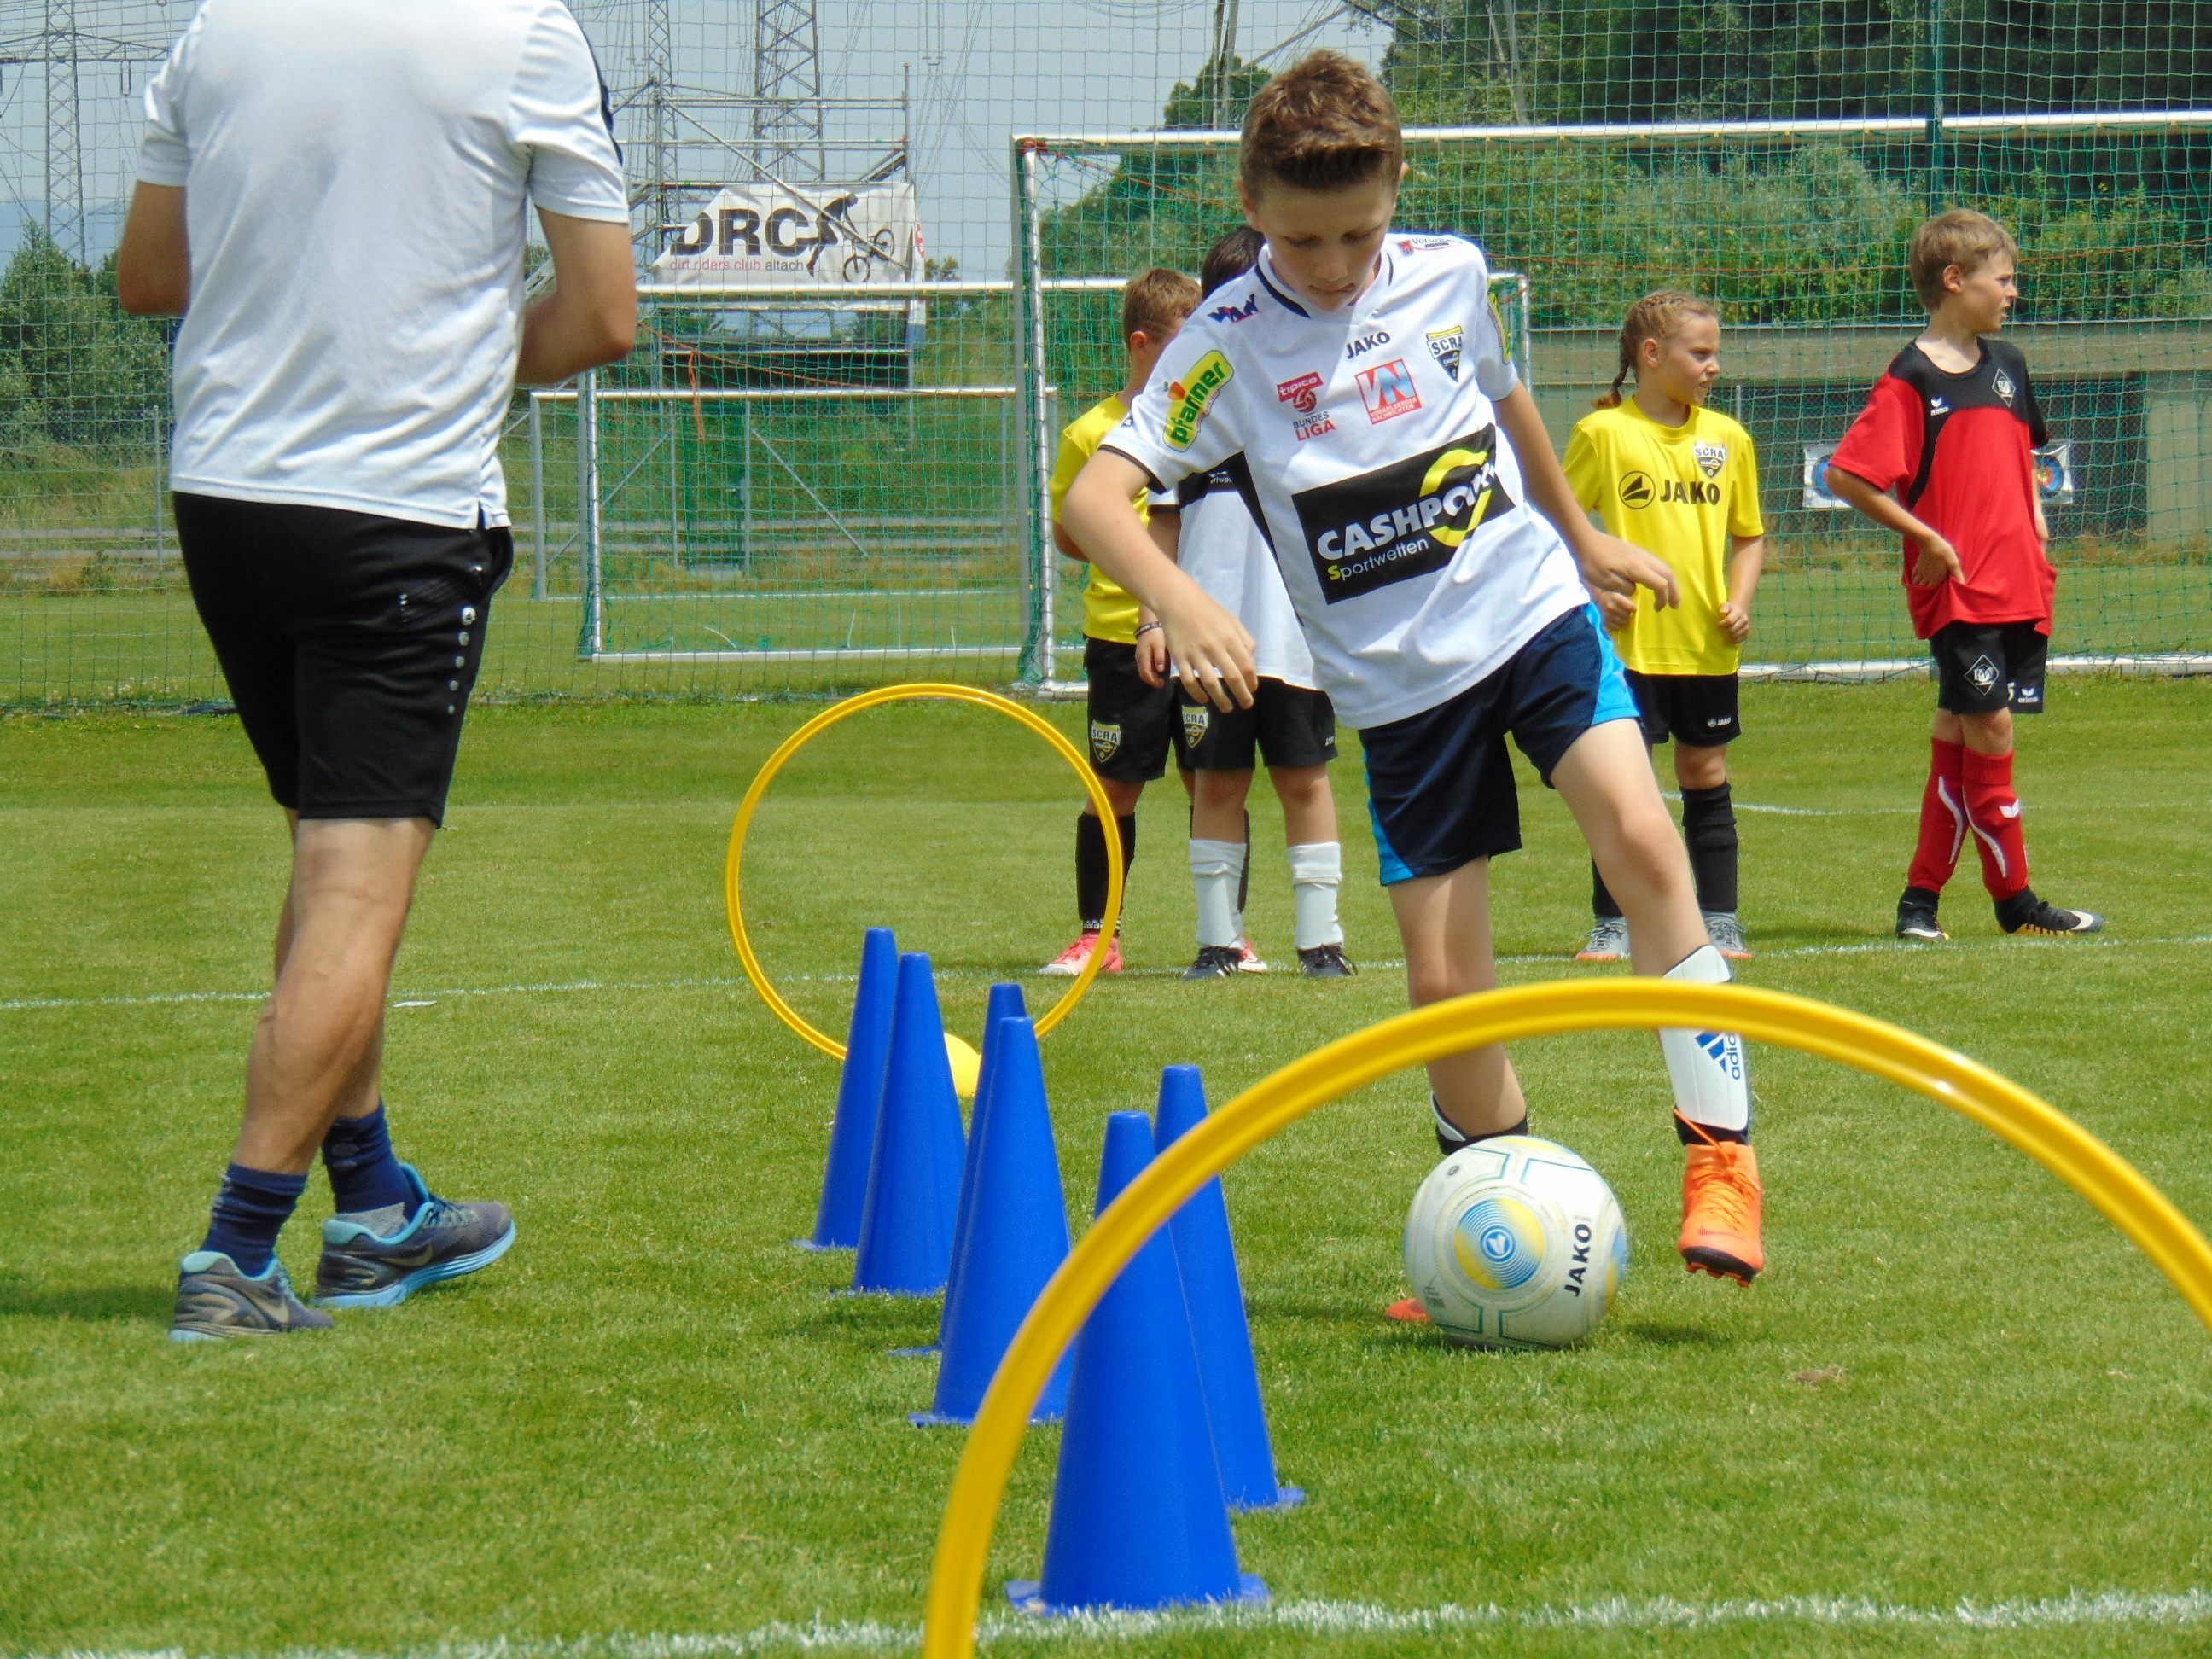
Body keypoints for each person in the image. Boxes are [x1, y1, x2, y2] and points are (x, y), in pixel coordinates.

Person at [1061, 50, 1767, 1289]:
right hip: (1397, 691)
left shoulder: (1450, 276)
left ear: (1398, 189)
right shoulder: (1225, 341)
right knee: (1447, 987)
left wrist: (1581, 534)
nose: (1334, 267)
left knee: (1645, 844)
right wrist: (1182, 600)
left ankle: (1721, 1161)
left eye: (1357, 233)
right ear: (1253, 210)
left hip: (1526, 610)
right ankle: (1507, 1221)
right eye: (1304, 241)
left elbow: (1508, 403)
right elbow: (1096, 498)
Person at [119, 0, 637, 1339]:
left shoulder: (215, 32)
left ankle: (375, 1208)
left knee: (324, 866)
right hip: (397, 509)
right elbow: (602, 314)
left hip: (225, 497)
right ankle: (237, 1253)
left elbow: (148, 278)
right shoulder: (525, 36)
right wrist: (455, 368)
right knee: (357, 894)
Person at [1826, 210, 2103, 942]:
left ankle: (1920, 901)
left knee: (1957, 728)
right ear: (1956, 280)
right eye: (2003, 279)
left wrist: (2037, 519)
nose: (2013, 293)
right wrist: (1925, 537)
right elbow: (1851, 476)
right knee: (1991, 724)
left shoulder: (2008, 365)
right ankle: (2015, 900)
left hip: (2018, 583)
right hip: (1959, 589)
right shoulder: (1911, 377)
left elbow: (2024, 455)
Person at [1152, 226, 1354, 981]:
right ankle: (1218, 942)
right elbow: (1161, 518)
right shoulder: (1190, 402)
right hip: (1210, 635)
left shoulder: (1317, 395)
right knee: (1217, 783)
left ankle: (1321, 941)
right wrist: (1155, 616)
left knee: (1304, 779)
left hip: (1297, 633)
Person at [1040, 268, 1240, 975]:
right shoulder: (1092, 432)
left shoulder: (1210, 429)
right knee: (1115, 785)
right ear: (1141, 344)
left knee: (1213, 780)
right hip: (1121, 639)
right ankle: (1100, 934)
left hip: (1207, 634)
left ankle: (1229, 933)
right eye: (1180, 347)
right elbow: (1071, 531)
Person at [1563, 291, 1767, 964]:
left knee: (1705, 774)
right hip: (1627, 646)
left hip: (1705, 646)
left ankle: (1721, 918)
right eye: (1700, 353)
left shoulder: (1729, 439)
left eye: (1716, 354)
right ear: (1651, 355)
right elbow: (1555, 527)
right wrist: (1596, 589)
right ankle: (1613, 923)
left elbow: (1749, 536)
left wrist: (1740, 599)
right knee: (1625, 786)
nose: (1713, 366)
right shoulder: (1603, 435)